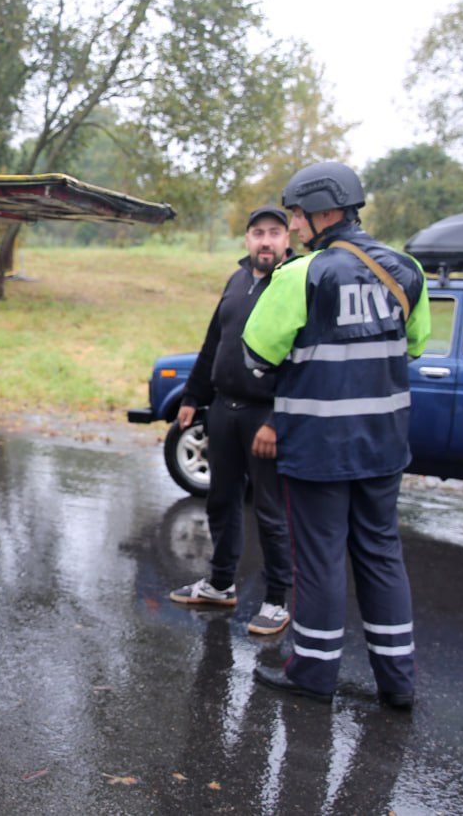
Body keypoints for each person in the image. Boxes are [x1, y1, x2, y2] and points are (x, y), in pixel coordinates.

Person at [242, 162, 430, 709]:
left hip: (318, 447)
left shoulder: (302, 275)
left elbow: (257, 356)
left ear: (326, 211)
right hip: (385, 443)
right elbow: (413, 347)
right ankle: (398, 682)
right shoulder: (408, 270)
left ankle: (314, 673)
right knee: (381, 553)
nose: (294, 225)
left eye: (297, 214)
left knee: (320, 557)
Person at [169, 205, 294, 636]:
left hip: (265, 413)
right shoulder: (238, 280)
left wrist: (277, 421)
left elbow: (302, 363)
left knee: (271, 510)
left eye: (274, 233)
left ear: (287, 239)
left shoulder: (296, 285)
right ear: (246, 239)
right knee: (221, 501)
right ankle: (221, 583)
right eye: (258, 233)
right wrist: (193, 397)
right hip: (224, 409)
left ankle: (278, 600)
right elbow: (213, 342)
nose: (265, 241)